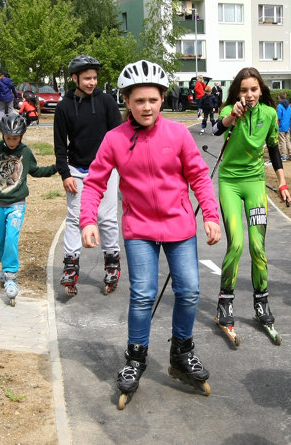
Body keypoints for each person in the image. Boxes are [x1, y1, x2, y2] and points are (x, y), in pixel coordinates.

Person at [80, 59, 221, 397]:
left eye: (153, 99)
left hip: (179, 225)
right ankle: (135, 358)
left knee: (188, 291)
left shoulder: (177, 134)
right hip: (140, 228)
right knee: (142, 294)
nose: (146, 107)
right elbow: (94, 183)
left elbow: (199, 176)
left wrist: (211, 216)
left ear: (162, 99)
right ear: (126, 101)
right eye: (138, 100)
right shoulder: (115, 139)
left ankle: (182, 352)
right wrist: (87, 220)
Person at [212, 67, 291, 333]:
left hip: (255, 182)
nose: (249, 95)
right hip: (230, 183)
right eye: (243, 90)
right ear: (237, 93)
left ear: (261, 90)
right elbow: (216, 129)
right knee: (235, 244)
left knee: (258, 246)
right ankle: (225, 302)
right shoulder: (229, 112)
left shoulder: (269, 114)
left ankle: (261, 302)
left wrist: (281, 182)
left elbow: (273, 149)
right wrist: (230, 118)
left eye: (254, 89)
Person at [0, 114, 57, 305]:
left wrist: (57, 167)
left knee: (11, 239)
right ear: (3, 135)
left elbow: (36, 171)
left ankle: (11, 277)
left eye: (15, 138)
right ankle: (5, 267)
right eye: (8, 137)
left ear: (22, 136)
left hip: (17, 205)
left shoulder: (25, 151)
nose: (12, 141)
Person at [53, 55, 123, 296]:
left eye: (94, 78)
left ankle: (112, 263)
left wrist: (121, 168)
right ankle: (71, 267)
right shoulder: (63, 107)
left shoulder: (106, 103)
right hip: (77, 171)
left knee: (106, 218)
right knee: (75, 219)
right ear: (75, 78)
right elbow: (60, 145)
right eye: (87, 78)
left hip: (106, 169)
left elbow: (118, 138)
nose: (92, 82)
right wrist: (65, 174)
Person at [277, 91, 291, 161]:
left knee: (282, 141)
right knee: (287, 140)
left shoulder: (279, 106)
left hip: (281, 126)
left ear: (279, 97)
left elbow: (279, 117)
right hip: (287, 125)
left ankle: (283, 155)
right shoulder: (289, 106)